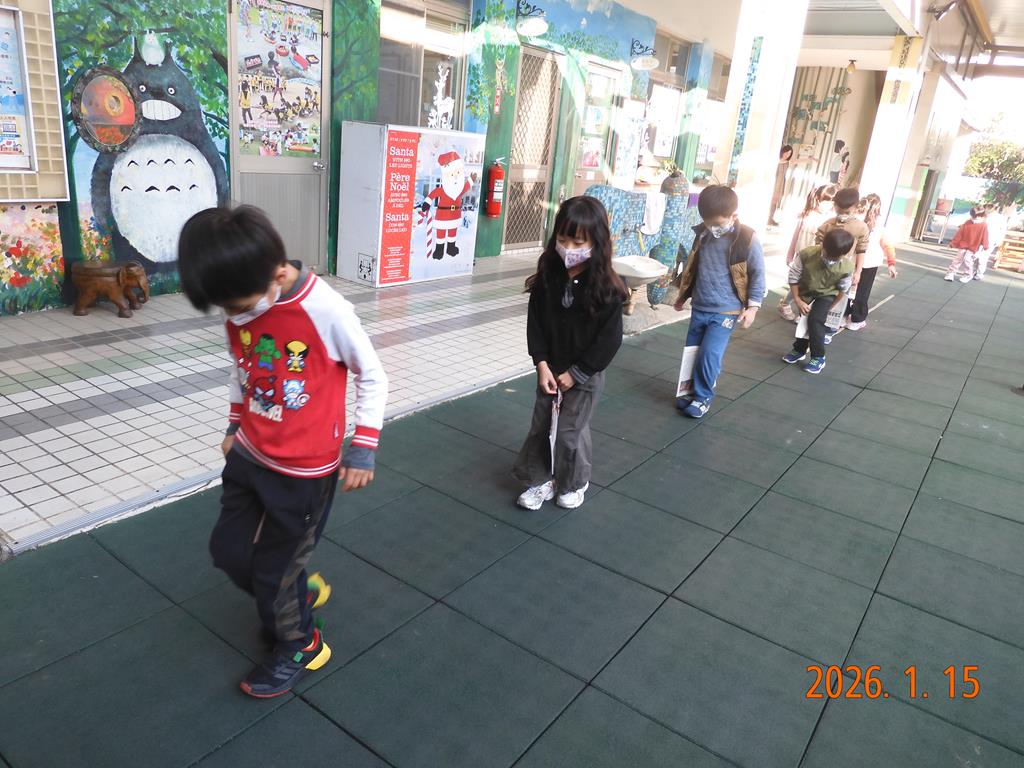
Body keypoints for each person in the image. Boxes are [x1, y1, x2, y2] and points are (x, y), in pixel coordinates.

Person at [176, 206, 388, 698]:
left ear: (276, 274)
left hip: (304, 474)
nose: (233, 317)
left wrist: (363, 446)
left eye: (238, 306)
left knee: (274, 573)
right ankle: (294, 589)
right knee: (228, 552)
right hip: (249, 455)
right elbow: (243, 367)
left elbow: (372, 374)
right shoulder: (240, 298)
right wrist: (233, 423)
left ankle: (302, 643)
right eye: (224, 308)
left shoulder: (326, 310)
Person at [513, 196, 627, 511]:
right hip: (550, 368)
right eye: (563, 239)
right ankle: (540, 480)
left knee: (569, 431)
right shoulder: (547, 278)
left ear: (596, 243)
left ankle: (574, 482)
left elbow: (610, 340)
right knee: (541, 426)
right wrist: (541, 364)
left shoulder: (608, 288)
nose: (568, 248)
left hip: (585, 374)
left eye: (578, 242)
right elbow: (535, 325)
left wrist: (577, 373)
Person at [673, 184, 766, 417]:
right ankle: (690, 392)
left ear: (734, 215)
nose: (713, 228)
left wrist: (752, 307)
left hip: (726, 309)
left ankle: (703, 397)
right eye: (708, 223)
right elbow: (694, 267)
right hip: (700, 305)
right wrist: (683, 295)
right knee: (693, 351)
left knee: (709, 354)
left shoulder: (747, 239)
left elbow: (757, 273)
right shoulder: (702, 234)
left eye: (717, 223)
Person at [783, 229, 855, 374]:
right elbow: (794, 276)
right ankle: (799, 350)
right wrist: (797, 300)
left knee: (816, 320)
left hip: (828, 294)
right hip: (806, 291)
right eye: (828, 255)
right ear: (823, 245)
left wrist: (830, 307)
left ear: (844, 254)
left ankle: (818, 357)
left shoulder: (847, 266)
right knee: (803, 319)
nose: (830, 259)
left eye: (836, 258)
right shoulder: (807, 254)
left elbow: (843, 289)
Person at [815, 187, 869, 342]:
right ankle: (816, 324)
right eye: (840, 210)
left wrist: (858, 272)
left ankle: (830, 329)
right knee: (821, 296)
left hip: (845, 270)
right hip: (824, 268)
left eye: (847, 211)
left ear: (856, 207)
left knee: (840, 298)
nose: (843, 214)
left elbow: (861, 250)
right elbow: (817, 245)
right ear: (835, 206)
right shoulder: (828, 224)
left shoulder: (861, 227)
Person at [780, 183, 838, 321]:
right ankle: (787, 305)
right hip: (803, 255)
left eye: (830, 202)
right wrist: (790, 254)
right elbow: (796, 235)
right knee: (799, 283)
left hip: (818, 257)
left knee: (809, 285)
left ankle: (799, 311)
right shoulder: (806, 215)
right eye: (824, 201)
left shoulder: (831, 219)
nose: (827, 205)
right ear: (817, 199)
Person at [845, 193, 897, 330]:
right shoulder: (878, 227)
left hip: (854, 260)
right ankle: (857, 319)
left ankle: (843, 315)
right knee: (863, 290)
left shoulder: (856, 222)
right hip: (870, 262)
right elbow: (888, 245)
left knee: (848, 287)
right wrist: (891, 264)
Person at [945, 207, 989, 283]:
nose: (974, 218)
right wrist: (952, 244)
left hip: (974, 246)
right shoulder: (968, 222)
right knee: (958, 259)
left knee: (968, 260)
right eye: (973, 216)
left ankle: (968, 275)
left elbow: (985, 236)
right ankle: (950, 273)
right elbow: (960, 234)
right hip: (964, 244)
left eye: (976, 217)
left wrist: (985, 246)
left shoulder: (983, 225)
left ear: (981, 216)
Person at [976, 203, 1007, 279]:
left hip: (991, 240)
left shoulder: (1000, 218)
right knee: (976, 256)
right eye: (987, 207)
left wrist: (999, 241)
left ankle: (979, 274)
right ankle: (975, 272)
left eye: (989, 207)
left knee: (983, 258)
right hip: (980, 239)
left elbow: (1003, 230)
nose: (987, 209)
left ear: (994, 208)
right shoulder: (984, 216)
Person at [768, 144, 794, 227]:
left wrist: (811, 159)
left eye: (789, 154)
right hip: (773, 184)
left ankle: (770, 218)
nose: (787, 155)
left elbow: (798, 160)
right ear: (783, 151)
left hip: (780, 185)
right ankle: (768, 218)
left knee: (775, 203)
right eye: (786, 152)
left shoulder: (787, 162)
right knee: (770, 201)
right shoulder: (776, 160)